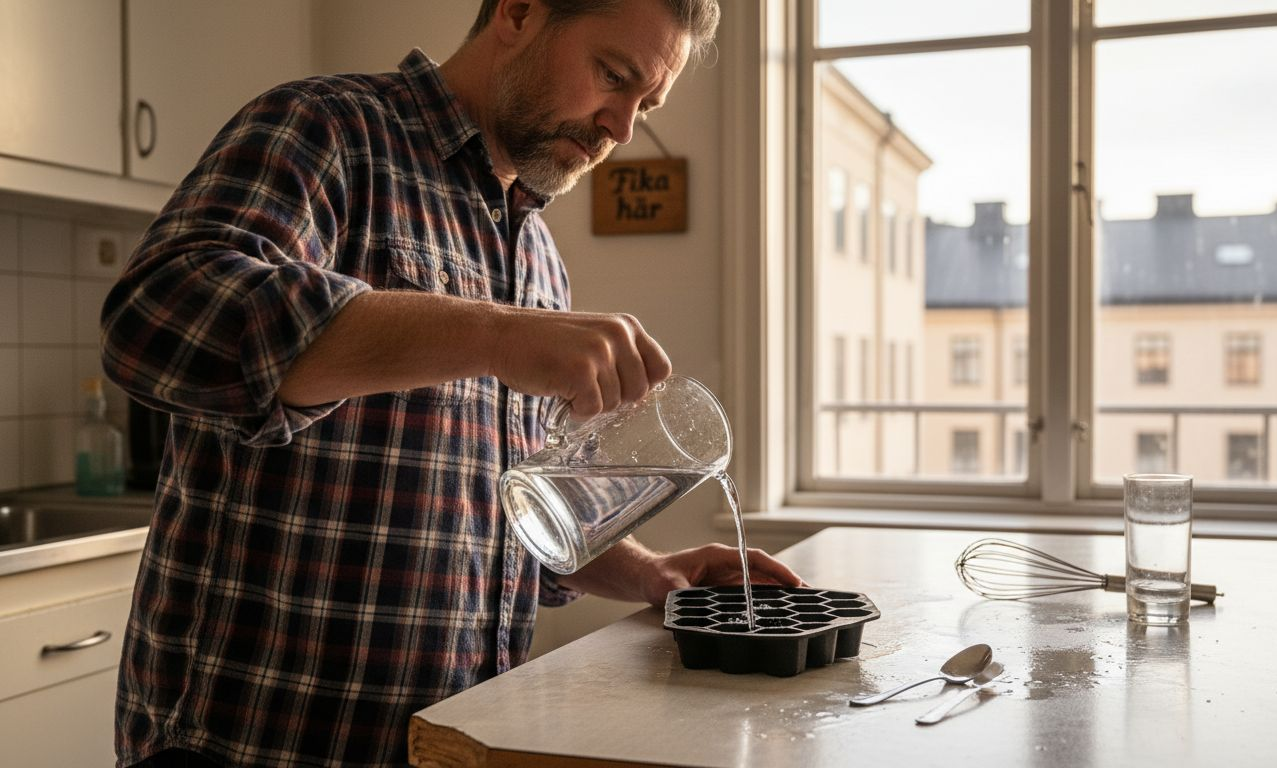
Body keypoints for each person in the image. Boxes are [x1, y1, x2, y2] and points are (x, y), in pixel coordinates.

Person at [101, 1, 802, 766]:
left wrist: (647, 571)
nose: (622, 128)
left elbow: (507, 507)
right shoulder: (327, 128)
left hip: (440, 742)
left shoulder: (534, 251)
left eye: (647, 103)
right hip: (257, 739)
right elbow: (156, 317)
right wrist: (494, 333)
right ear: (519, 12)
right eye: (612, 76)